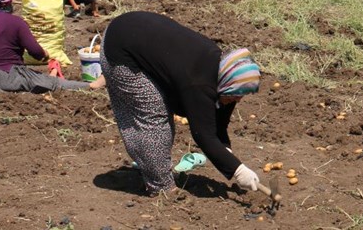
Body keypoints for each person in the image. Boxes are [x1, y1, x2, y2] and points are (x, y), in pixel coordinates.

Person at [101, 11, 263, 196]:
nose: (237, 100)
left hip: (136, 32)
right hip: (120, 48)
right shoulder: (198, 83)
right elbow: (203, 135)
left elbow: (218, 124)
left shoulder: (224, 71)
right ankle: (161, 186)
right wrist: (238, 170)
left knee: (160, 107)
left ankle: (154, 170)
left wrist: (226, 153)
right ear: (227, 83)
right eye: (235, 95)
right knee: (154, 114)